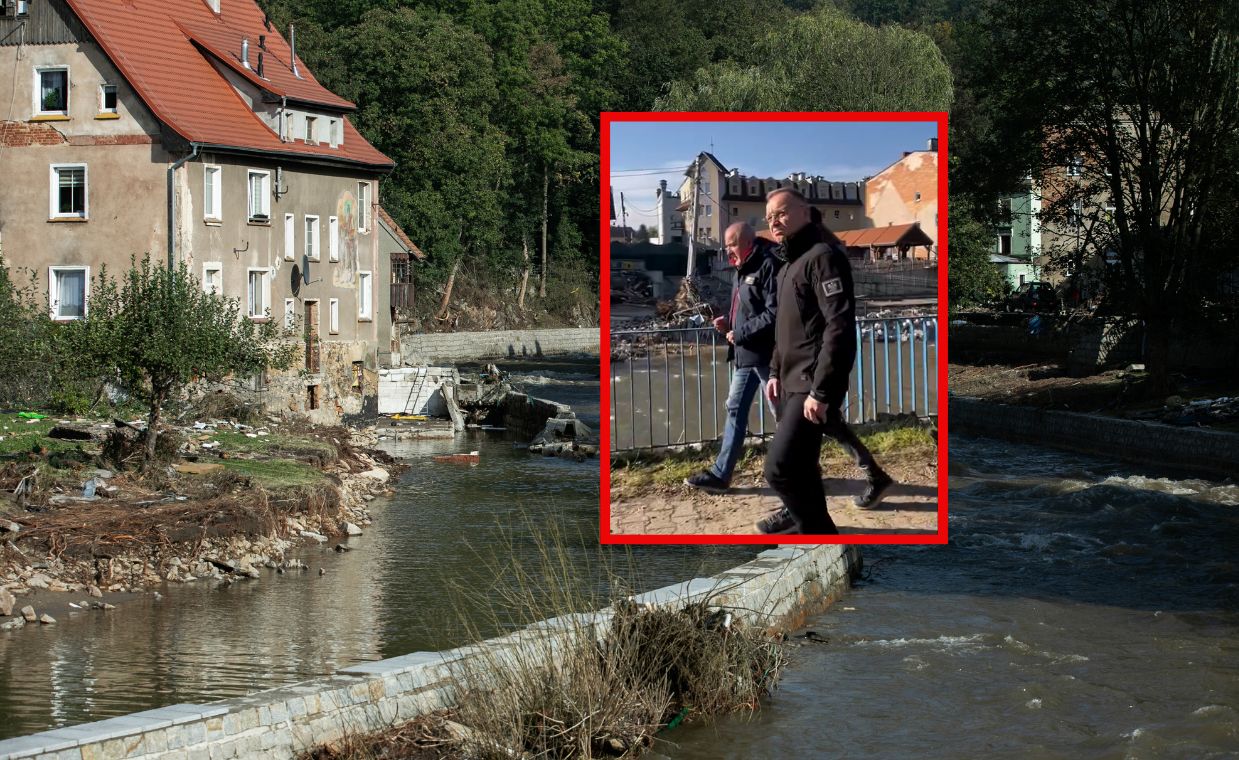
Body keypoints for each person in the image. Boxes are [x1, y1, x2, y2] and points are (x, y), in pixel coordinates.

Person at [756, 188, 894, 535]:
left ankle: (821, 538)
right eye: (770, 217)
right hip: (789, 382)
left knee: (779, 469)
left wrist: (822, 391)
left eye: (782, 213)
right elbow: (785, 329)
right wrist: (774, 371)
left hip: (810, 384)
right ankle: (824, 543)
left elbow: (839, 326)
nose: (774, 221)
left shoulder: (823, 257)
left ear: (806, 212)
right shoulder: (787, 265)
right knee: (803, 472)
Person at [684, 222, 781, 493]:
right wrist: (728, 321)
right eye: (726, 245)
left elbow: (774, 315)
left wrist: (739, 332)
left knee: (783, 414)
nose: (727, 250)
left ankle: (803, 470)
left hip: (766, 357)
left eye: (731, 244)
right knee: (735, 409)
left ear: (747, 243)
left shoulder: (768, 265)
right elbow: (748, 309)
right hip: (745, 355)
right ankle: (721, 475)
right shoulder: (741, 268)